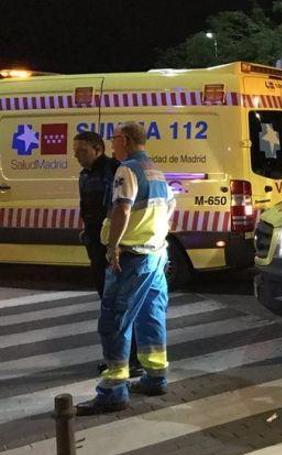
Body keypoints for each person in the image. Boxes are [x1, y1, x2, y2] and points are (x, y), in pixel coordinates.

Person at [76, 122, 175, 415]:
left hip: (132, 256)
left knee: (114, 320)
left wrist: (112, 246)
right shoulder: (156, 171)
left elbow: (122, 208)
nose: (113, 143)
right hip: (155, 254)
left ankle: (113, 390)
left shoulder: (127, 169)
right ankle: (156, 377)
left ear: (127, 140)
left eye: (115, 138)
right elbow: (170, 208)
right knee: (150, 316)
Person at [73, 131, 143, 378]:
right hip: (96, 244)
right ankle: (118, 356)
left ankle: (130, 359)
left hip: (110, 248)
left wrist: (113, 246)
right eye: (75, 151)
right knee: (108, 303)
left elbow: (118, 209)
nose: (77, 156)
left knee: (119, 306)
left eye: (82, 151)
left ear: (98, 148)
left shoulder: (114, 170)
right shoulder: (85, 175)